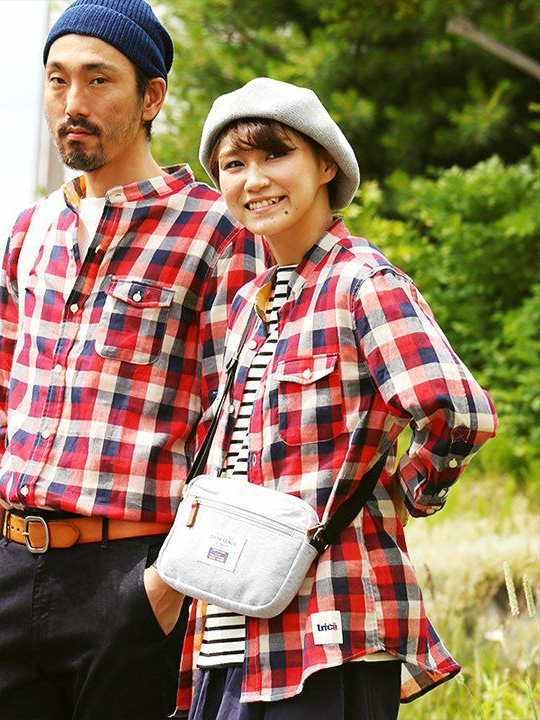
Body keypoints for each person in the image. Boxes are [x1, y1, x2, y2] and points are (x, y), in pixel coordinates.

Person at [0, 3, 266, 718]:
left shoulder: (216, 230)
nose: (73, 103)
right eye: (58, 80)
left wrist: (163, 586)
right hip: (7, 572)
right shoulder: (30, 230)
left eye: (98, 80)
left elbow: (240, 425)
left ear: (152, 97)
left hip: (131, 577)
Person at [174, 78, 498, 720]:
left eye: (275, 155)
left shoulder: (363, 283)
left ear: (325, 164)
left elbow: (459, 411)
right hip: (232, 632)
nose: (254, 179)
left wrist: (406, 495)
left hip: (331, 628)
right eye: (234, 165)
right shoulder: (249, 305)